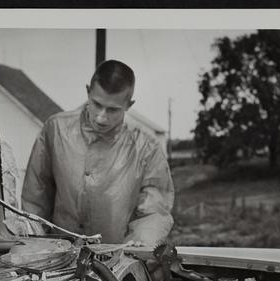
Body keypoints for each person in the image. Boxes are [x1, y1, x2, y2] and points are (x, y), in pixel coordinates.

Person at [21, 60, 174, 246]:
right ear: (88, 92)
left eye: (113, 110)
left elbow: (154, 211)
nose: (101, 117)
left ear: (129, 105)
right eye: (96, 104)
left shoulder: (146, 147)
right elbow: (35, 197)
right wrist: (37, 244)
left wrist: (139, 244)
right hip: (58, 255)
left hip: (118, 257)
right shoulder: (56, 130)